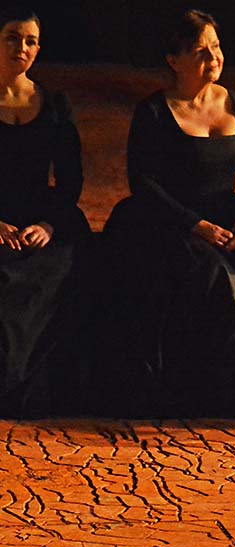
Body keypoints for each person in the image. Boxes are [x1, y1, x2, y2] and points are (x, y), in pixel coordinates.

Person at [96, 9, 235, 419]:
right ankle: (207, 387)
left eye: (216, 47)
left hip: (232, 215)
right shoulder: (155, 111)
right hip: (172, 219)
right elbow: (144, 183)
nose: (213, 57)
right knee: (211, 275)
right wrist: (197, 225)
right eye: (200, 51)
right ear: (174, 60)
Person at [0, 6, 90, 418]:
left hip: (41, 216)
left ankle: (42, 392)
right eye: (12, 38)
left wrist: (48, 225)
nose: (22, 48)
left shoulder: (54, 103)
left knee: (60, 269)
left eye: (31, 41)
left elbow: (70, 179)